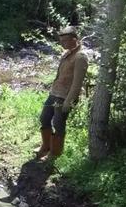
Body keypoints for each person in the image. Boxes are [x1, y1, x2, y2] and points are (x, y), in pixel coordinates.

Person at [36, 26, 88, 161]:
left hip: (65, 96)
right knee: (44, 118)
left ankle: (55, 153)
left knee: (58, 124)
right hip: (55, 93)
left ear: (74, 39)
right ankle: (46, 146)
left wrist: (68, 102)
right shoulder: (67, 54)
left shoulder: (80, 57)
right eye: (61, 41)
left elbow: (77, 83)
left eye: (65, 41)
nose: (62, 44)